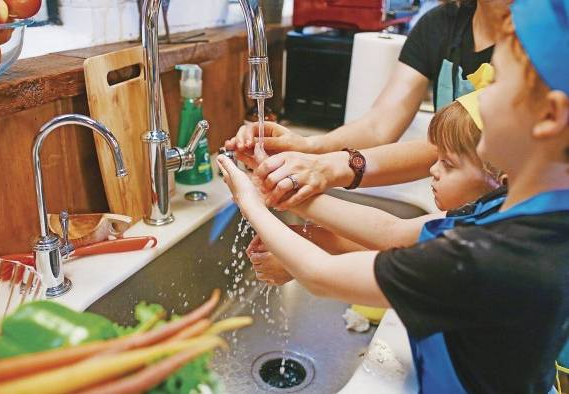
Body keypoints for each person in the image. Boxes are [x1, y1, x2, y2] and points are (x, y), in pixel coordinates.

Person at [217, 0, 569, 391]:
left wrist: (250, 198)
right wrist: (292, 191)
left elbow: (321, 276)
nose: (476, 95)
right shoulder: (509, 212)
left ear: (551, 117)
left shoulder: (487, 257)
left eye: (497, 83)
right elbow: (397, 234)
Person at [225, 0, 512, 208]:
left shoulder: (539, 47)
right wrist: (307, 146)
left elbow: (452, 147)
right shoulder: (441, 24)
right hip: (462, 218)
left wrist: (327, 167)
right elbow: (379, 125)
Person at [248, 85, 504, 285]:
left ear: (500, 179)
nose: (432, 169)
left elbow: (391, 235)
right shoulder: (488, 215)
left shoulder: (486, 228)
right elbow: (393, 240)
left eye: (448, 164)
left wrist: (278, 193)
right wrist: (305, 238)